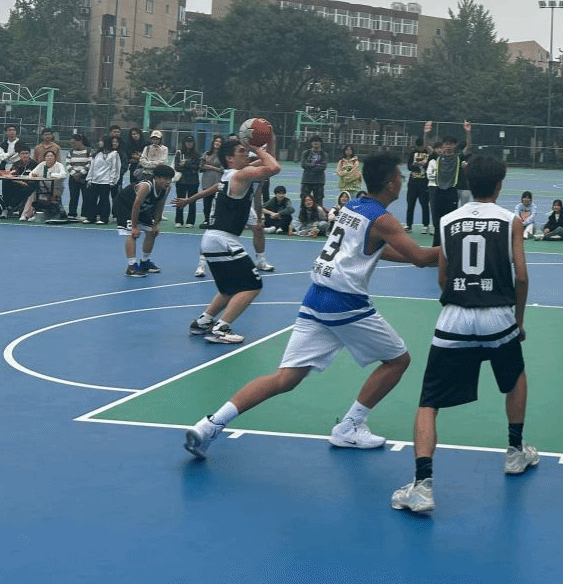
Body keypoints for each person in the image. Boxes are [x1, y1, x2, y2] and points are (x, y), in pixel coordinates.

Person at [183, 152, 442, 461]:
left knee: (285, 379)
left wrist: (427, 255)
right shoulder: (383, 220)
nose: (402, 181)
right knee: (398, 361)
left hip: (316, 297)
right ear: (390, 184)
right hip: (345, 302)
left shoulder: (354, 206)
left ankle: (210, 425)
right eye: (400, 176)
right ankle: (349, 426)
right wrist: (458, 242)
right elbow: (421, 258)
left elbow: (372, 250)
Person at [390, 154, 534, 514]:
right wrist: (518, 321)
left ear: (468, 183)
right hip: (498, 316)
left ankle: (422, 486)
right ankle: (515, 452)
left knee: (429, 403)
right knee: (515, 376)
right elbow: (521, 277)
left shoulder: (448, 220)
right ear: (499, 185)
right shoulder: (511, 220)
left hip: (454, 318)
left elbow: (442, 276)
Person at [174, 138, 281, 343]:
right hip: (223, 240)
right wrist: (256, 147)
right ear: (230, 158)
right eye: (242, 151)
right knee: (252, 285)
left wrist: (271, 139)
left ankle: (203, 322)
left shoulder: (230, 174)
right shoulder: (240, 175)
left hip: (213, 239)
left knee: (229, 289)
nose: (246, 153)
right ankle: (222, 328)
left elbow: (270, 160)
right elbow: (274, 167)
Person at [113, 164, 174, 276]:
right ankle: (131, 266)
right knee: (132, 233)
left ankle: (145, 262)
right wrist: (134, 227)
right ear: (156, 178)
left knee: (152, 232)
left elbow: (160, 205)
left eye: (170, 179)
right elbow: (136, 205)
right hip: (125, 205)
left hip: (143, 207)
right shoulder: (146, 186)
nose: (168, 182)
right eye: (165, 179)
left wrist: (156, 224)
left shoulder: (166, 189)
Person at [428, 122, 472, 247]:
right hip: (438, 191)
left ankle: (449, 247)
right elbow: (426, 146)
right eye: (446, 144)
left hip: (451, 192)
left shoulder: (458, 158)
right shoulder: (437, 157)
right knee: (437, 222)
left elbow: (468, 146)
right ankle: (436, 248)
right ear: (443, 145)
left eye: (451, 144)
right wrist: (426, 133)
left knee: (450, 222)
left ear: (454, 146)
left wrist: (468, 132)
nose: (448, 146)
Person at [82, 135, 121, 224]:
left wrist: (113, 181)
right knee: (91, 199)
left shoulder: (114, 154)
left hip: (105, 181)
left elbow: (115, 168)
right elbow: (92, 167)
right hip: (94, 180)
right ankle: (91, 217)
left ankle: (104, 218)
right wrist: (89, 179)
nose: (99, 143)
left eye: (101, 141)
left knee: (104, 200)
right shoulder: (96, 154)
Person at [20, 149, 66, 221]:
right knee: (32, 197)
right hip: (43, 188)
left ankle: (43, 214)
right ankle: (25, 215)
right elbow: (31, 173)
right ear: (45, 158)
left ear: (55, 157)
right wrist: (34, 175)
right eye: (47, 156)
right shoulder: (42, 164)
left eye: (51, 156)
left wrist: (52, 175)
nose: (49, 157)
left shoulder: (59, 165)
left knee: (45, 199)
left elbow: (63, 175)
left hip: (56, 189)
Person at [173, 134, 202, 227]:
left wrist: (186, 164)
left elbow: (197, 167)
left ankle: (190, 222)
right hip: (181, 181)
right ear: (184, 143)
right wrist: (189, 166)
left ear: (194, 143)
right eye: (187, 142)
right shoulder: (179, 153)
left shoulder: (197, 154)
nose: (189, 144)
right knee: (179, 200)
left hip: (193, 182)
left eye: (191, 142)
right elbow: (177, 167)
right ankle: (178, 221)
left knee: (192, 201)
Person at [0, 148, 36, 216]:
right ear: (19, 155)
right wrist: (19, 182)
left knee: (28, 189)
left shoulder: (35, 164)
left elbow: (37, 176)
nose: (24, 155)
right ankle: (6, 207)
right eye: (22, 153)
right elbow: (11, 175)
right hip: (18, 183)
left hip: (30, 184)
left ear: (30, 154)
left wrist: (26, 182)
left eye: (26, 153)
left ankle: (11, 206)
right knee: (6, 182)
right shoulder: (16, 164)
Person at [404, 138, 431, 233]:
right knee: (410, 204)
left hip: (424, 182)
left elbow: (431, 166)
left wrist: (424, 165)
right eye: (419, 146)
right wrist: (415, 165)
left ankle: (425, 225)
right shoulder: (413, 153)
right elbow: (409, 166)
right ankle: (408, 225)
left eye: (422, 146)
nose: (420, 148)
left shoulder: (429, 153)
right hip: (413, 182)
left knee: (424, 204)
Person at [198, 136, 225, 227]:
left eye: (219, 141)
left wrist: (211, 167)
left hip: (218, 181)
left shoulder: (223, 155)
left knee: (217, 203)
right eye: (216, 141)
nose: (217, 143)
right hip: (207, 181)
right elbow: (201, 166)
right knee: (206, 203)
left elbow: (223, 169)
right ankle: (207, 220)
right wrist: (204, 166)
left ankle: (216, 220)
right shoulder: (207, 153)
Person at [64, 133, 91, 220]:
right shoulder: (71, 152)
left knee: (86, 196)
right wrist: (74, 174)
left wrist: (81, 173)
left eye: (74, 143)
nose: (72, 145)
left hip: (85, 177)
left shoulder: (89, 151)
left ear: (80, 141)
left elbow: (89, 163)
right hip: (73, 178)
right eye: (71, 143)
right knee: (73, 196)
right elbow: (68, 164)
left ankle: (84, 214)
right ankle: (72, 214)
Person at [300, 135, 328, 204]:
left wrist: (310, 166)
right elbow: (303, 164)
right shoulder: (306, 153)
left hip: (319, 181)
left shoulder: (323, 154)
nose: (316, 143)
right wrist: (315, 165)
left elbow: (323, 167)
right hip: (307, 180)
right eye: (314, 141)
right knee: (304, 200)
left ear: (320, 143)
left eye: (318, 141)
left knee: (319, 201)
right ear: (311, 143)